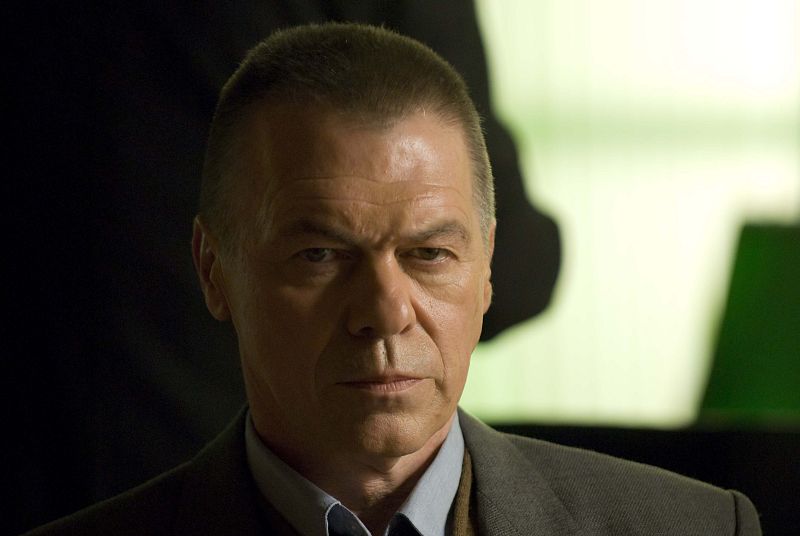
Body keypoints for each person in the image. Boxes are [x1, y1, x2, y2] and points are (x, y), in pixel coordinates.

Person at [26, 22, 761, 536]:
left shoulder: (699, 527)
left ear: (488, 268)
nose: (385, 311)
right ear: (212, 269)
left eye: (430, 254)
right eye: (321, 255)